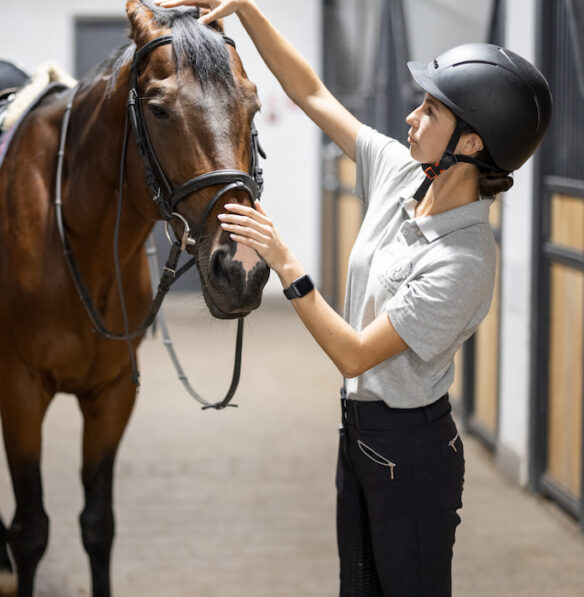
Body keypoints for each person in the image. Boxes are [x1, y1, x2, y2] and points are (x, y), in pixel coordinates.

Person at [155, 0, 552, 595]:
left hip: (411, 450)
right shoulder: (402, 174)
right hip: (360, 433)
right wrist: (244, 9)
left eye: (431, 110)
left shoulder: (464, 261)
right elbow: (311, 94)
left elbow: (356, 355)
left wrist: (287, 265)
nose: (411, 117)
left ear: (470, 145)